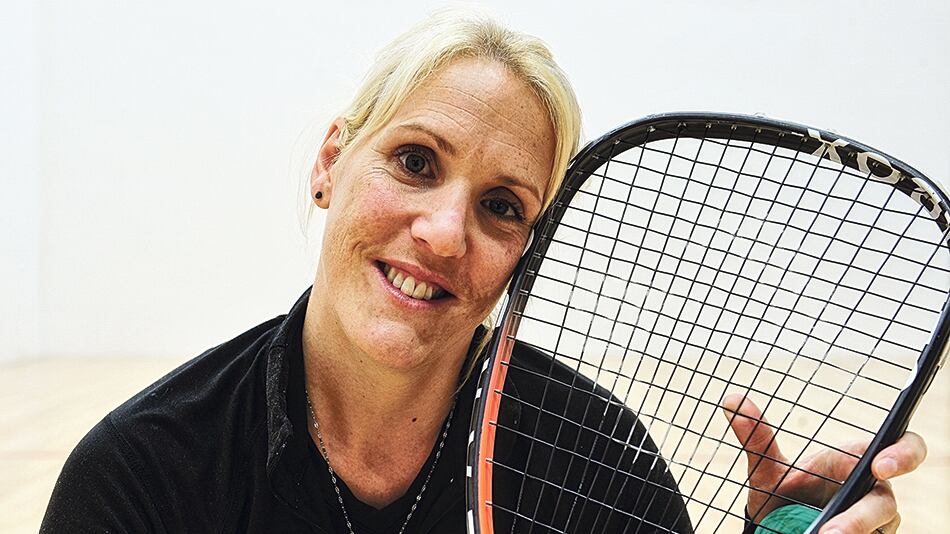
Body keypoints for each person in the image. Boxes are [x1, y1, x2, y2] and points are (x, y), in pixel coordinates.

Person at [40, 10, 926, 534]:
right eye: (415, 161)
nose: (443, 234)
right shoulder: (142, 476)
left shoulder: (595, 462)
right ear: (330, 163)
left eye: (502, 206)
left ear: (524, 251)